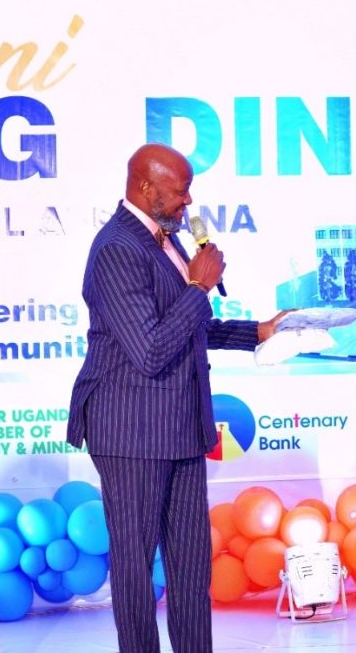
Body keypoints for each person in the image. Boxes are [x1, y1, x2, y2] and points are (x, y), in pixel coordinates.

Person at [67, 143, 288, 653]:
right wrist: (199, 287)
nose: (189, 201)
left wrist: (259, 331)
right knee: (135, 567)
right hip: (130, 430)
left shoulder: (167, 239)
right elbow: (150, 349)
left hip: (182, 427)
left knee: (191, 566)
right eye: (180, 190)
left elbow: (186, 328)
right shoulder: (116, 248)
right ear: (146, 187)